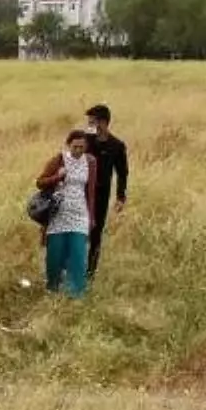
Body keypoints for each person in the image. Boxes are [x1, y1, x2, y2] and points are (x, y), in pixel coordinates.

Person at [36, 129, 97, 298]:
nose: (78, 150)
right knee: (55, 255)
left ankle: (76, 294)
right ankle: (53, 289)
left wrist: (91, 216)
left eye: (81, 147)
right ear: (68, 145)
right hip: (58, 215)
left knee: (78, 254)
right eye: (75, 147)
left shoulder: (90, 162)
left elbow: (90, 191)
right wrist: (57, 177)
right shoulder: (59, 160)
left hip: (79, 213)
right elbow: (40, 182)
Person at [83, 104, 129, 279]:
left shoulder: (117, 146)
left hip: (101, 195)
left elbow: (122, 173)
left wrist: (120, 196)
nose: (89, 125)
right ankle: (74, 267)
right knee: (77, 230)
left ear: (103, 123)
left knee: (96, 233)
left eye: (92, 122)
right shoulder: (85, 141)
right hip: (81, 192)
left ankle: (90, 273)